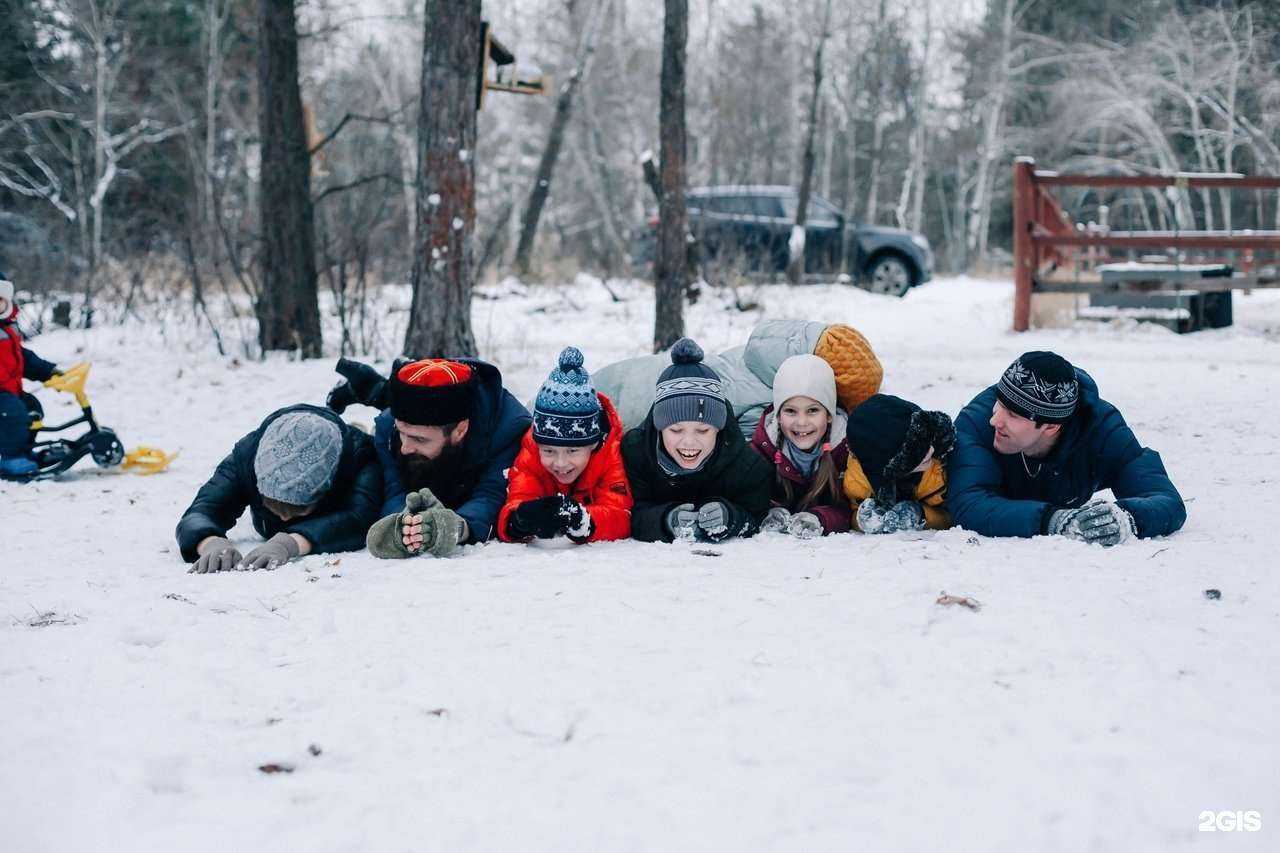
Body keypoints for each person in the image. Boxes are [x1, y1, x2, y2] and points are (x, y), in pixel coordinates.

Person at [947, 351, 1186, 545]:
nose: (996, 420)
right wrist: (1051, 520)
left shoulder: (1101, 428)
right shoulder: (975, 423)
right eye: (999, 404)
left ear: (1050, 426)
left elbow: (1166, 500)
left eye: (1013, 414)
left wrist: (1126, 518)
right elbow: (968, 502)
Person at [176, 405, 382, 572]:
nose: (284, 519)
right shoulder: (247, 456)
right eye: (272, 506)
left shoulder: (361, 456)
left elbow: (360, 517)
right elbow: (202, 510)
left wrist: (291, 543)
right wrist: (209, 542)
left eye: (299, 508)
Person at [363, 357, 531, 559]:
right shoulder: (388, 426)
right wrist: (403, 520)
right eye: (402, 432)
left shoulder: (508, 428)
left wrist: (458, 527)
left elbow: (491, 494)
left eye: (419, 439)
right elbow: (395, 487)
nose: (405, 447)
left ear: (460, 430)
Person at [621, 338, 771, 543]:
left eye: (702, 430)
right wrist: (666, 519)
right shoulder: (636, 452)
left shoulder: (745, 464)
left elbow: (757, 514)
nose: (689, 442)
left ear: (719, 429)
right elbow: (630, 512)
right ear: (659, 427)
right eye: (676, 430)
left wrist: (730, 516)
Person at [497, 347, 632, 545]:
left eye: (572, 451)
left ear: (593, 443)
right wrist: (520, 520)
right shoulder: (531, 453)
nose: (560, 463)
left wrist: (584, 521)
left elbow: (621, 514)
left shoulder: (609, 454)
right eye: (549, 451)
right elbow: (518, 497)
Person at [749, 354, 852, 538]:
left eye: (812, 410)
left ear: (829, 415)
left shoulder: (844, 449)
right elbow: (749, 495)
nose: (802, 422)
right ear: (779, 416)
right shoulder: (764, 448)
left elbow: (849, 506)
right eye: (791, 411)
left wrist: (819, 518)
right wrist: (771, 511)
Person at [844, 394, 955, 534]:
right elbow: (850, 511)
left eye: (927, 442)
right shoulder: (859, 480)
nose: (931, 450)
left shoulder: (939, 466)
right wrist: (861, 520)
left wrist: (921, 514)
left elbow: (953, 514)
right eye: (916, 451)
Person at [0, 271, 61, 479]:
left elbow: (22, 358)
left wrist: (46, 371)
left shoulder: (8, 330)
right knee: (14, 413)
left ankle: (24, 451)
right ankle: (10, 458)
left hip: (9, 391)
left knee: (32, 408)